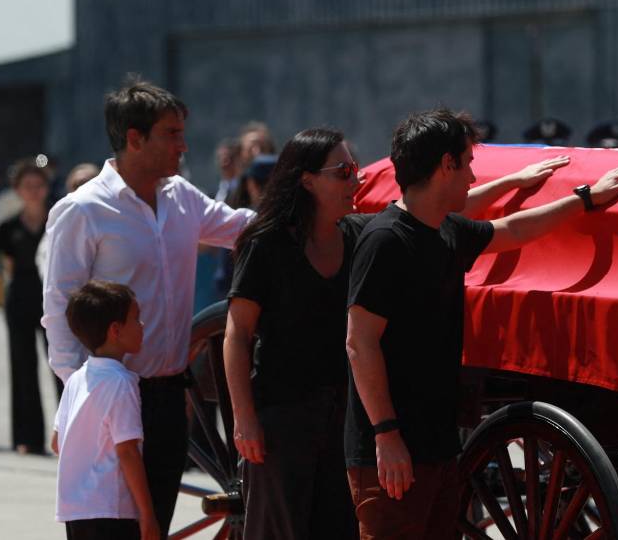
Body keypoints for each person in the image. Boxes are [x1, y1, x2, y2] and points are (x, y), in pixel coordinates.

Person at [225, 126, 571, 539]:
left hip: (342, 416)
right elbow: (236, 336)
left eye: (354, 169)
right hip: (281, 420)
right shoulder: (265, 245)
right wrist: (244, 418)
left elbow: (431, 212)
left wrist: (512, 182)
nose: (356, 179)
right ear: (306, 179)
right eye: (343, 171)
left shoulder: (357, 235)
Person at [344, 108, 618, 537]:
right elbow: (359, 343)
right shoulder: (385, 241)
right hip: (393, 451)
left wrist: (586, 199)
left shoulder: (445, 231)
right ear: (445, 165)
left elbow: (513, 230)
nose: (471, 176)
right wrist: (386, 435)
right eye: (466, 163)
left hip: (438, 445)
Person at [43, 78, 254, 537]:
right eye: (171, 134)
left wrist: (311, 211)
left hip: (168, 399)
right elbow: (59, 310)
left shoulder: (182, 198)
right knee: (108, 524)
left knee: (152, 520)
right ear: (134, 139)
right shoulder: (83, 210)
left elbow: (242, 228)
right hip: (110, 399)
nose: (183, 145)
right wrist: (80, 395)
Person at [53, 280, 158, 540]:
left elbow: (57, 442)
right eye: (136, 319)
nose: (142, 326)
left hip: (76, 511)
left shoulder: (77, 379)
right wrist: (147, 514)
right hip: (112, 510)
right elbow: (127, 451)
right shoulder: (122, 383)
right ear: (115, 330)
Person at [0, 160, 59, 455]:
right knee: (22, 367)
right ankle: (27, 437)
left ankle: (68, 433)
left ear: (46, 187)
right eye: (27, 186)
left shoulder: (59, 219)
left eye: (39, 185)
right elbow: (7, 267)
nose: (34, 191)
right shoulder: (8, 228)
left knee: (62, 366)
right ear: (18, 190)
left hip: (54, 298)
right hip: (20, 297)